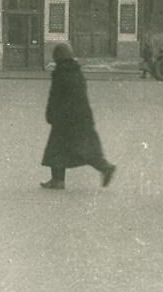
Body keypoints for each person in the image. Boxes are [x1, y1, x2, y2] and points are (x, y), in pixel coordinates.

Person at [40, 43, 116, 190]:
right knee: (84, 148)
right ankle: (104, 167)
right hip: (82, 117)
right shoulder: (77, 71)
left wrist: (50, 114)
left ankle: (58, 181)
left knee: (56, 149)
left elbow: (55, 97)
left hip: (64, 119)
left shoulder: (60, 73)